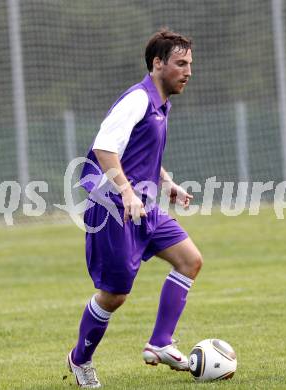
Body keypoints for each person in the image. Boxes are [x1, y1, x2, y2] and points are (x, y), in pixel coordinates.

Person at [67, 28, 203, 388]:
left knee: (190, 260)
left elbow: (135, 151)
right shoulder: (138, 100)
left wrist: (165, 182)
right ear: (158, 64)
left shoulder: (161, 104)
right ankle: (80, 359)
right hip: (112, 207)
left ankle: (160, 342)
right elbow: (104, 148)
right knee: (115, 295)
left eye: (190, 64)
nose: (188, 71)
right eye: (180, 63)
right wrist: (127, 193)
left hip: (141, 204)